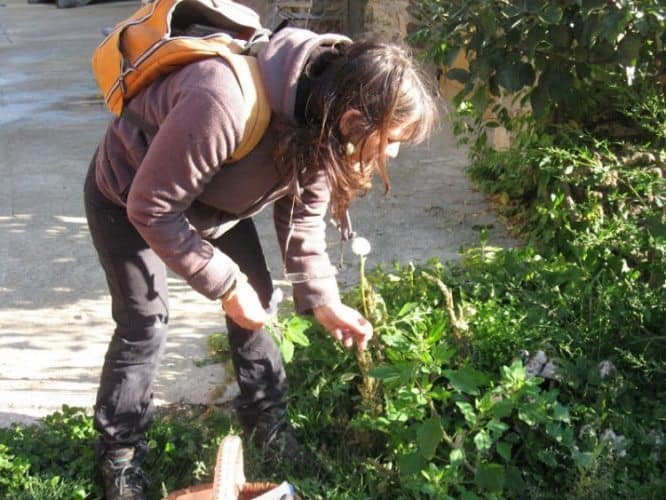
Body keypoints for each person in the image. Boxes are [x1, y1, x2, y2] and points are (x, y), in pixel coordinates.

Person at [84, 23, 438, 499]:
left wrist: (323, 300)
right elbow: (151, 208)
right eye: (390, 139)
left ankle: (265, 419)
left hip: (213, 207)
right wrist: (227, 286)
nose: (391, 152)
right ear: (355, 117)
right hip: (129, 196)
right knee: (145, 322)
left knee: (262, 297)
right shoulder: (221, 99)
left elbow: (302, 219)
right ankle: (120, 455)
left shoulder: (320, 115)